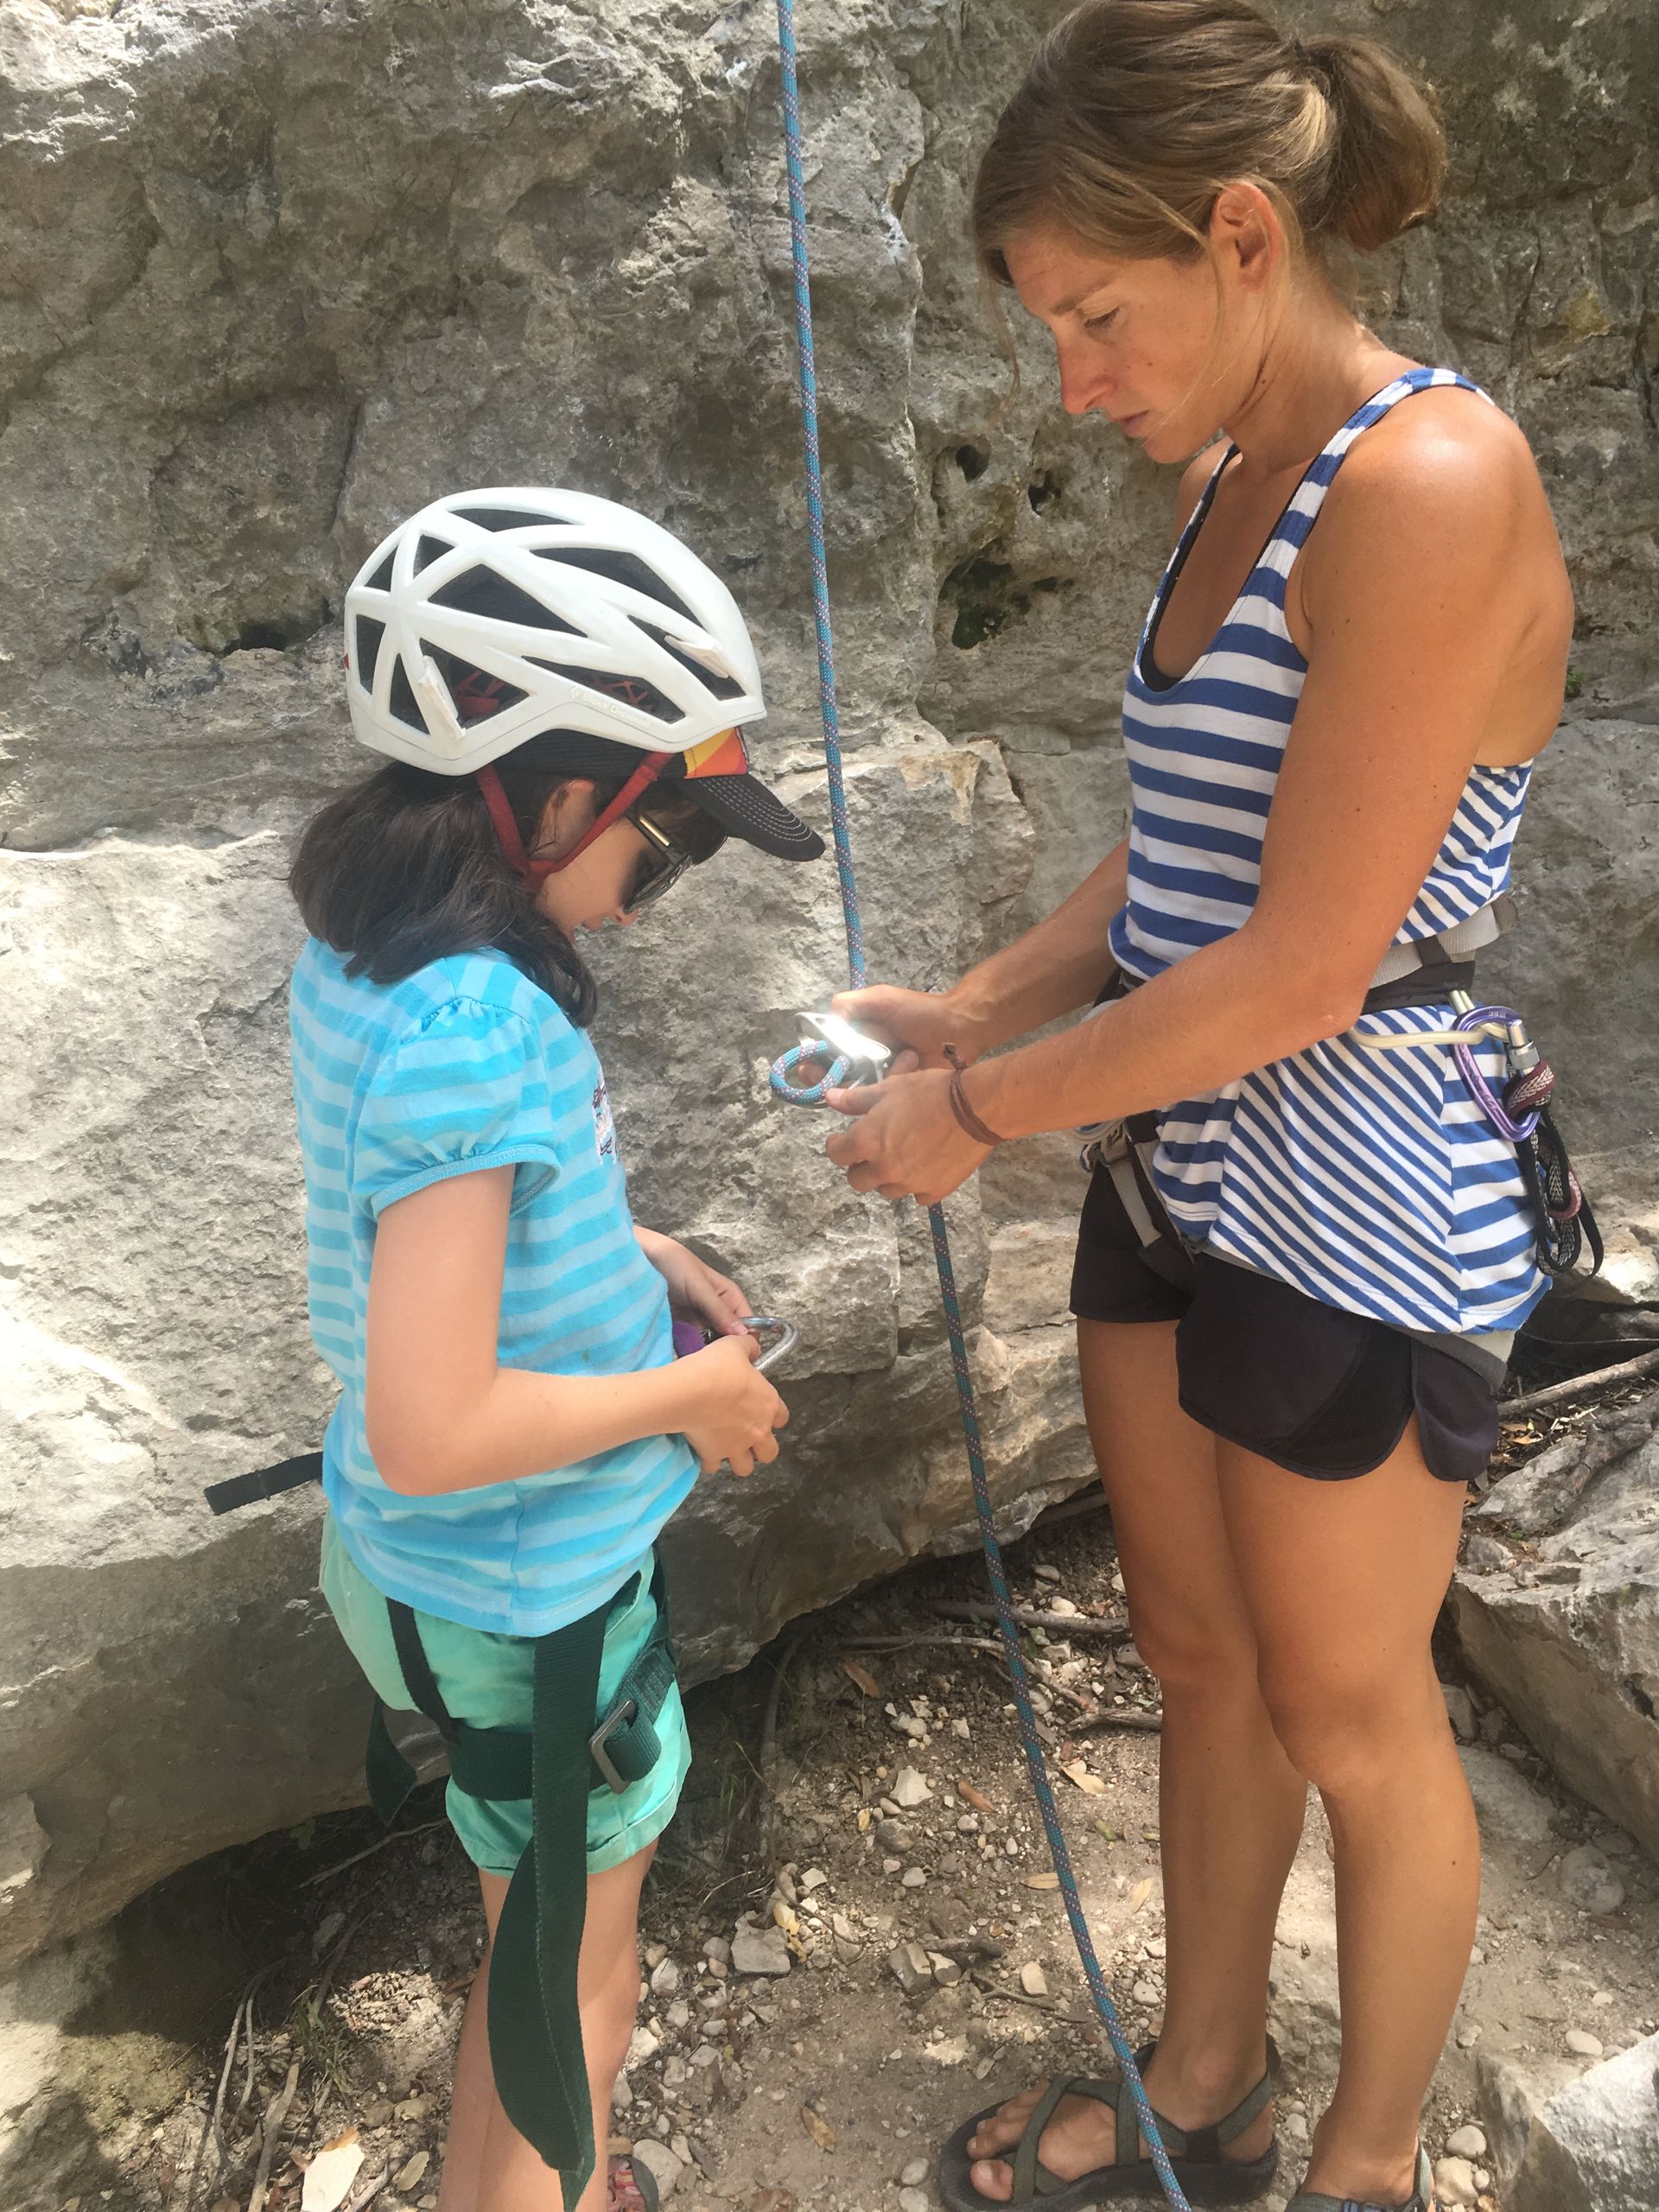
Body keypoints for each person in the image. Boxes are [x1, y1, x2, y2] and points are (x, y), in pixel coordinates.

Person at [822, 8, 1577, 2210]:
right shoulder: (1227, 472)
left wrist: (984, 1106)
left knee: (1353, 1708)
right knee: (1197, 1649)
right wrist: (978, 1002)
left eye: (1094, 314)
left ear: (1244, 234)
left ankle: (1368, 2164)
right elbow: (1188, 849)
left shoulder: (1430, 483)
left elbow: (1307, 962)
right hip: (1182, 1158)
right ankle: (1210, 2078)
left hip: (1359, 1181)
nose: (1071, 379)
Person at [286, 487, 823, 2212]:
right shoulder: (482, 1022)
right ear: (554, 794)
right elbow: (440, 1421)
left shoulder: (373, 954)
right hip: (529, 1600)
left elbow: (424, 1211)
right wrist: (697, 1395)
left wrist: (626, 1247)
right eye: (668, 844)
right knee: (571, 1988)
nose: (655, 897)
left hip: (423, 1571)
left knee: (536, 1951)